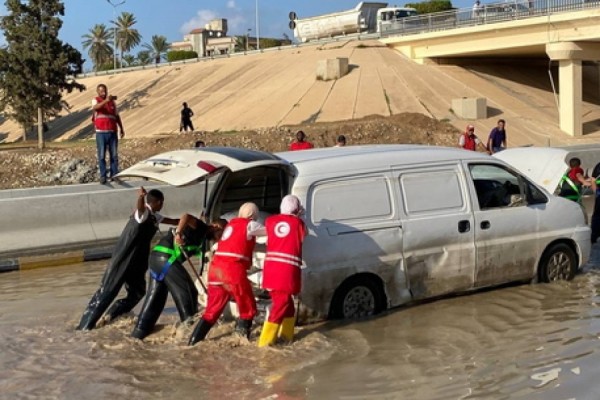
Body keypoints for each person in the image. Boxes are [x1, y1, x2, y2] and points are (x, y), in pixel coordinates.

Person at [76, 187, 178, 331]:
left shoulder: (155, 216)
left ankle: (112, 316)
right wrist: (141, 197)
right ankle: (85, 326)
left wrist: (193, 221)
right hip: (124, 258)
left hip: (138, 262)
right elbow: (140, 209)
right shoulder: (142, 213)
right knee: (108, 291)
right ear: (158, 202)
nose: (162, 205)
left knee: (138, 292)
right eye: (162, 203)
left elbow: (174, 221)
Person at [130, 214, 225, 340]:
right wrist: (178, 234)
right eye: (220, 235)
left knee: (156, 301)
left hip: (156, 259)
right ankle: (189, 335)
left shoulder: (202, 240)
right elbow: (185, 216)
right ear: (216, 226)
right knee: (189, 292)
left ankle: (138, 334)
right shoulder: (201, 226)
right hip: (166, 259)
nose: (218, 240)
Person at [188, 203, 266, 345]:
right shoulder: (250, 225)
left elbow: (245, 245)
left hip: (215, 270)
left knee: (212, 311)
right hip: (232, 271)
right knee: (248, 306)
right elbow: (274, 232)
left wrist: (266, 248)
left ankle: (192, 343)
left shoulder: (231, 226)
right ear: (252, 215)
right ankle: (240, 342)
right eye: (255, 216)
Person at [258, 195, 308, 347]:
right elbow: (303, 236)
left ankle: (287, 338)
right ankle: (265, 344)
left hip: (271, 268)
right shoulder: (298, 223)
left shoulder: (270, 221)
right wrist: (299, 217)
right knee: (282, 303)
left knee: (287, 304)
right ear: (297, 209)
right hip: (287, 270)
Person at [92, 83, 125, 185]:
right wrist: (106, 101)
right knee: (101, 155)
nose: (104, 93)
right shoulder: (96, 100)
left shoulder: (112, 103)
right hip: (101, 133)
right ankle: (103, 176)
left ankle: (114, 175)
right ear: (98, 91)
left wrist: (121, 128)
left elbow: (116, 116)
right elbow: (96, 108)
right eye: (101, 91)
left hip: (112, 132)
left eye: (105, 91)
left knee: (114, 155)